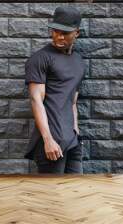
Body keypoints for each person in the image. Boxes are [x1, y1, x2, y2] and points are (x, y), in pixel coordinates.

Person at [24, 6, 86, 174]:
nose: (59, 36)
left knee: (75, 192)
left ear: (77, 33)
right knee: (51, 197)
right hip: (52, 143)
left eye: (65, 33)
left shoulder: (79, 62)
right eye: (56, 31)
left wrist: (76, 131)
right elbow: (36, 100)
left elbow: (73, 101)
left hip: (73, 141)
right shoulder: (40, 58)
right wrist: (48, 139)